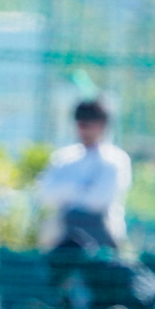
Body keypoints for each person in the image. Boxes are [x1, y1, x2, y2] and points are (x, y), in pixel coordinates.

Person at [37, 99, 132, 252]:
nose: (84, 130)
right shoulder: (64, 158)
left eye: (89, 125)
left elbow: (99, 200)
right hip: (62, 237)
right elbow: (45, 194)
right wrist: (81, 188)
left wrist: (66, 193)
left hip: (102, 241)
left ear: (102, 126)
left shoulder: (114, 159)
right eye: (81, 125)